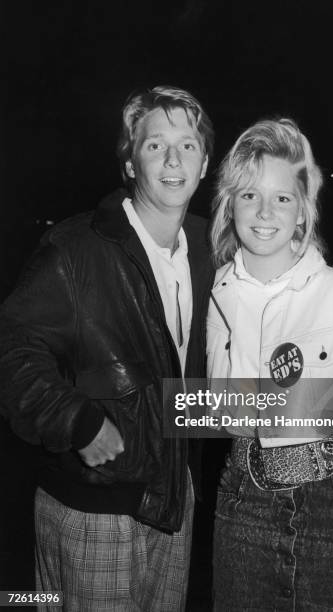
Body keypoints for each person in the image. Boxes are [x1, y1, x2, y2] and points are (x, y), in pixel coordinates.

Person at [0, 85, 215, 611]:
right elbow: (11, 353)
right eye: (154, 144)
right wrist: (77, 421)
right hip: (92, 511)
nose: (172, 159)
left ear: (205, 164)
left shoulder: (212, 249)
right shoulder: (74, 249)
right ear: (129, 162)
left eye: (187, 145)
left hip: (175, 503)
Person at [207, 117, 333, 610]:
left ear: (303, 211)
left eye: (282, 197)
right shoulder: (215, 294)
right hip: (240, 509)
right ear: (230, 204)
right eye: (249, 195)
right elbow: (220, 411)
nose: (264, 212)